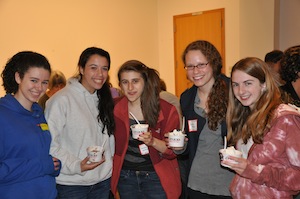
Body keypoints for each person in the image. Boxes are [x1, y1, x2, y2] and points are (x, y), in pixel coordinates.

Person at [45, 47, 115, 199]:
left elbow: (108, 141)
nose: (100, 74)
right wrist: (77, 165)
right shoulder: (61, 101)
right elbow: (50, 144)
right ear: (81, 69)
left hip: (102, 181)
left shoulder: (104, 99)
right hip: (71, 185)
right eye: (93, 68)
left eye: (104, 69)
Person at [225, 57, 300, 198]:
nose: (241, 91)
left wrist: (253, 171)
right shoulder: (245, 116)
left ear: (264, 84)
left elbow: (297, 179)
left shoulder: (285, 118)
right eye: (235, 85)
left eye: (248, 83)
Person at [111, 60, 182, 199]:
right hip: (126, 177)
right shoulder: (114, 108)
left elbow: (173, 151)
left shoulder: (166, 110)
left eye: (135, 81)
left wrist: (153, 141)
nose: (130, 87)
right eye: (125, 82)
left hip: (156, 177)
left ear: (145, 82)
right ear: (119, 85)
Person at [176, 40, 234, 199]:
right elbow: (191, 145)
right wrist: (180, 147)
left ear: (213, 64)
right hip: (196, 183)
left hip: (228, 184)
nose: (195, 71)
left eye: (201, 64)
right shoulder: (187, 98)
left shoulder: (233, 92)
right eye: (190, 66)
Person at [0, 51, 61, 199]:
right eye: (34, 80)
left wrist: (54, 165)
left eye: (45, 82)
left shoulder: (38, 112)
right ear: (18, 77)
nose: (39, 88)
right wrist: (43, 165)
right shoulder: (2, 114)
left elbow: (35, 153)